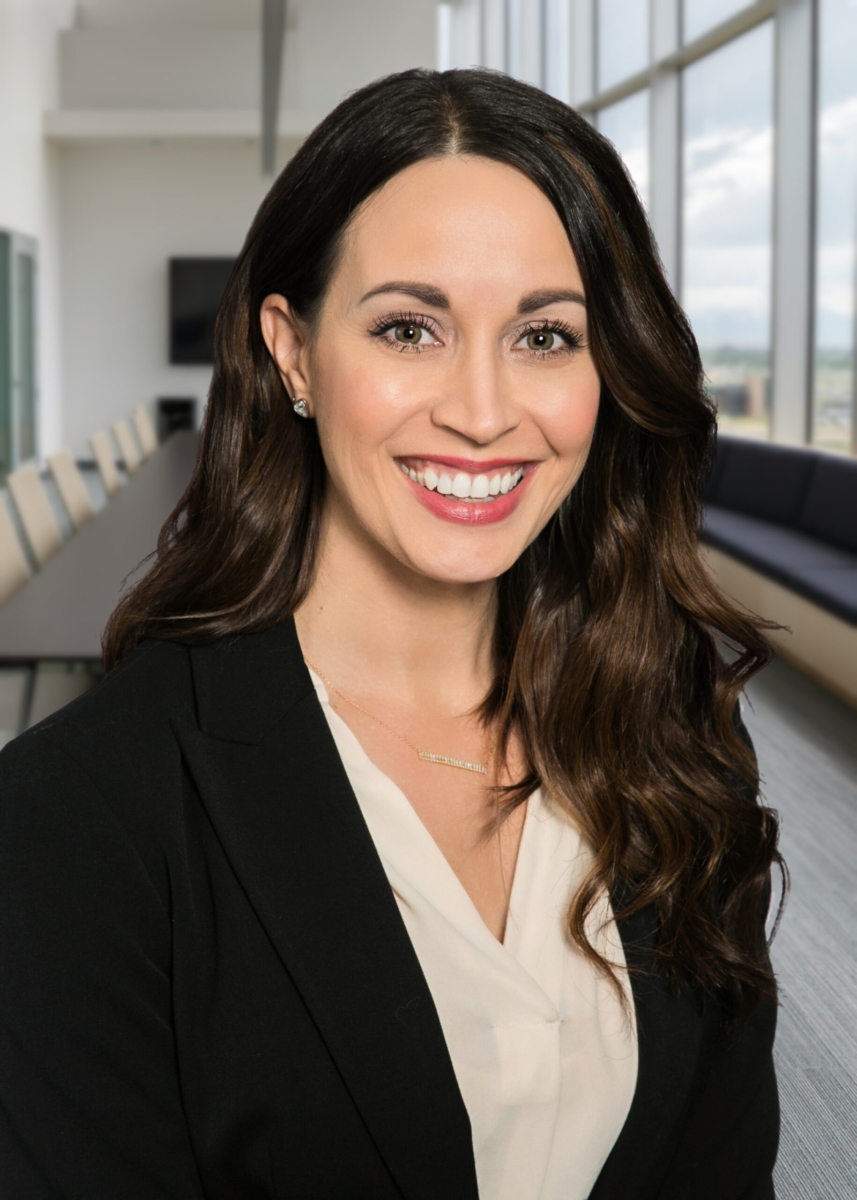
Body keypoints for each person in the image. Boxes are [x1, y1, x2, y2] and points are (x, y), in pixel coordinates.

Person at [0, 69, 784, 1199]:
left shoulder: (675, 742)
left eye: (544, 336)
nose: (481, 411)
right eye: (409, 329)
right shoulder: (79, 819)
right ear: (293, 352)